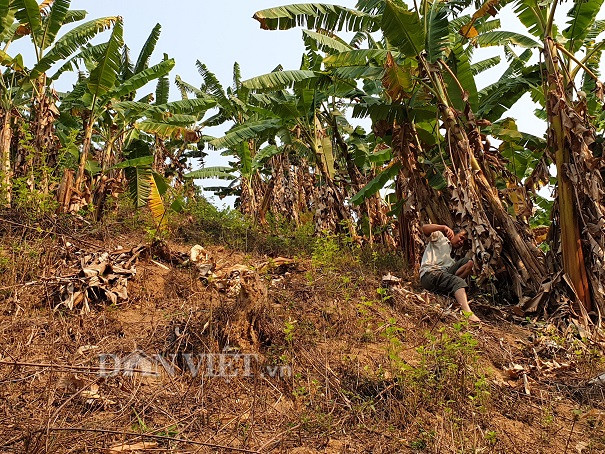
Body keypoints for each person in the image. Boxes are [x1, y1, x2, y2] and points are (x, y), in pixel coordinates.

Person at [419, 224, 480, 323]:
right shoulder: (440, 238)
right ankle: (469, 314)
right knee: (457, 281)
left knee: (468, 262)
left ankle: (449, 291)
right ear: (453, 234)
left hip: (442, 276)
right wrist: (443, 227)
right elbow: (425, 228)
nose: (461, 242)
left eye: (464, 241)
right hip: (430, 274)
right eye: (461, 237)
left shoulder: (452, 258)